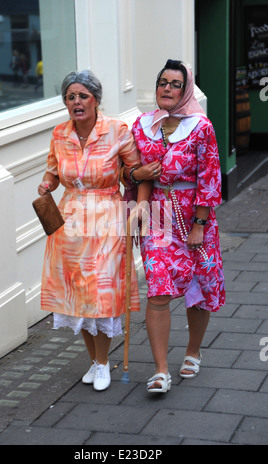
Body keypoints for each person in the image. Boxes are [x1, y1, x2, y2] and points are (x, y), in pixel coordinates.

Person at [38, 70, 146, 391]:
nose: (76, 102)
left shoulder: (116, 131)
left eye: (83, 96)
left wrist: (144, 181)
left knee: (101, 294)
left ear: (96, 99)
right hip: (69, 223)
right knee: (77, 297)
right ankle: (96, 362)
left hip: (107, 218)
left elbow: (134, 170)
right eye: (70, 97)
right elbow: (53, 170)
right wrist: (47, 184)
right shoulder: (59, 134)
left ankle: (103, 365)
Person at [130, 59, 225, 393]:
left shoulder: (201, 127)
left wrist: (199, 223)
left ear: (185, 91)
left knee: (198, 289)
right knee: (158, 290)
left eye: (175, 84)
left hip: (194, 218)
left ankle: (193, 351)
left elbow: (210, 177)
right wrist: (136, 181)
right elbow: (132, 170)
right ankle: (159, 371)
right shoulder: (142, 125)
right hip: (157, 217)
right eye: (162, 82)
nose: (167, 89)